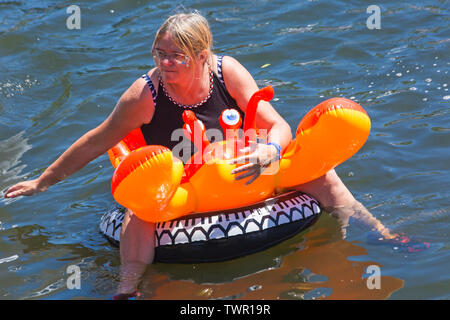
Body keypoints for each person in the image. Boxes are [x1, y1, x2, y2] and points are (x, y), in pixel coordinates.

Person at [3, 12, 397, 299]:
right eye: (160, 53)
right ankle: (126, 288)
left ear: (203, 55)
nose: (165, 63)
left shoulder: (229, 73)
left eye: (177, 56)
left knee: (324, 176)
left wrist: (268, 152)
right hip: (182, 185)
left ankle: (377, 233)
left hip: (241, 169)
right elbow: (97, 140)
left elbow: (279, 126)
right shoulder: (144, 95)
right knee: (142, 213)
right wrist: (43, 182)